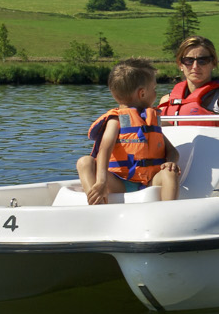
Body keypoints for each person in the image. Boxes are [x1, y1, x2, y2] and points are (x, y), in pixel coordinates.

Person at [77, 58, 180, 204]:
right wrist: (101, 182)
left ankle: (169, 210)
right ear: (142, 93)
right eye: (154, 89)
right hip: (119, 183)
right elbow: (104, 150)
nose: (156, 93)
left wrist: (170, 163)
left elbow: (173, 152)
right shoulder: (116, 120)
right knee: (85, 162)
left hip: (150, 181)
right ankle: (97, 203)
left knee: (170, 172)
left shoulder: (149, 123)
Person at [161, 35, 219, 126]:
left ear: (214, 63)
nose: (195, 66)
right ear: (180, 65)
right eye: (189, 61)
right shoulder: (166, 101)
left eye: (202, 61)